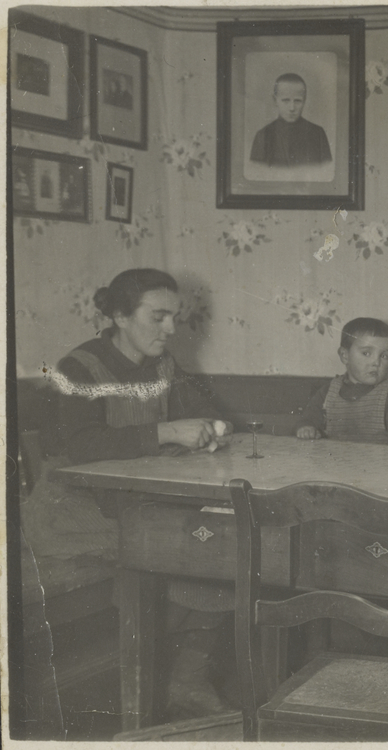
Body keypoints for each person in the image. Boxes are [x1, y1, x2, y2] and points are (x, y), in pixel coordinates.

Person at [38, 269, 235, 720]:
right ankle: (152, 687)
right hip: (74, 508)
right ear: (120, 316)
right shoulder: (78, 367)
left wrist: (212, 429)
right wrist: (166, 430)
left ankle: (186, 677)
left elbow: (203, 411)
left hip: (136, 500)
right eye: (159, 317)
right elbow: (79, 446)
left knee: (217, 546)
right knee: (182, 551)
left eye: (175, 317)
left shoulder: (163, 365)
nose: (171, 329)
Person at [297, 317, 388, 445]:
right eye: (366, 353)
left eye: (384, 356)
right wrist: (307, 429)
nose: (376, 362)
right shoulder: (328, 392)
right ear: (345, 356)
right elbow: (307, 421)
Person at [249, 73, 332, 168]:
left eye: (297, 101)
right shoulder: (263, 135)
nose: (292, 108)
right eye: (285, 100)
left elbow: (326, 171)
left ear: (304, 100)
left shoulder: (318, 134)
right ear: (275, 100)